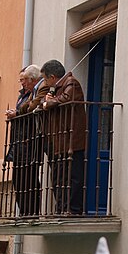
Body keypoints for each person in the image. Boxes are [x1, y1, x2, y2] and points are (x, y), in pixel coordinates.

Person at [39, 60, 87, 216]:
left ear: (52, 77)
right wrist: (46, 100)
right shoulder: (58, 87)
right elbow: (47, 101)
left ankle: (73, 210)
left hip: (72, 140)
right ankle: (62, 208)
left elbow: (66, 99)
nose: (45, 83)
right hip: (61, 140)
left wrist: (49, 103)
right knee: (59, 178)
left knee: (73, 177)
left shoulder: (71, 84)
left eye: (45, 79)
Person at [6, 65, 43, 216]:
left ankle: (30, 212)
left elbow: (31, 110)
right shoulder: (23, 95)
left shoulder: (36, 93)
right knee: (19, 180)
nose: (22, 83)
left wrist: (16, 114)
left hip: (29, 143)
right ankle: (24, 211)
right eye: (21, 80)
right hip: (19, 143)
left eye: (24, 80)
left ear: (32, 79)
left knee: (29, 180)